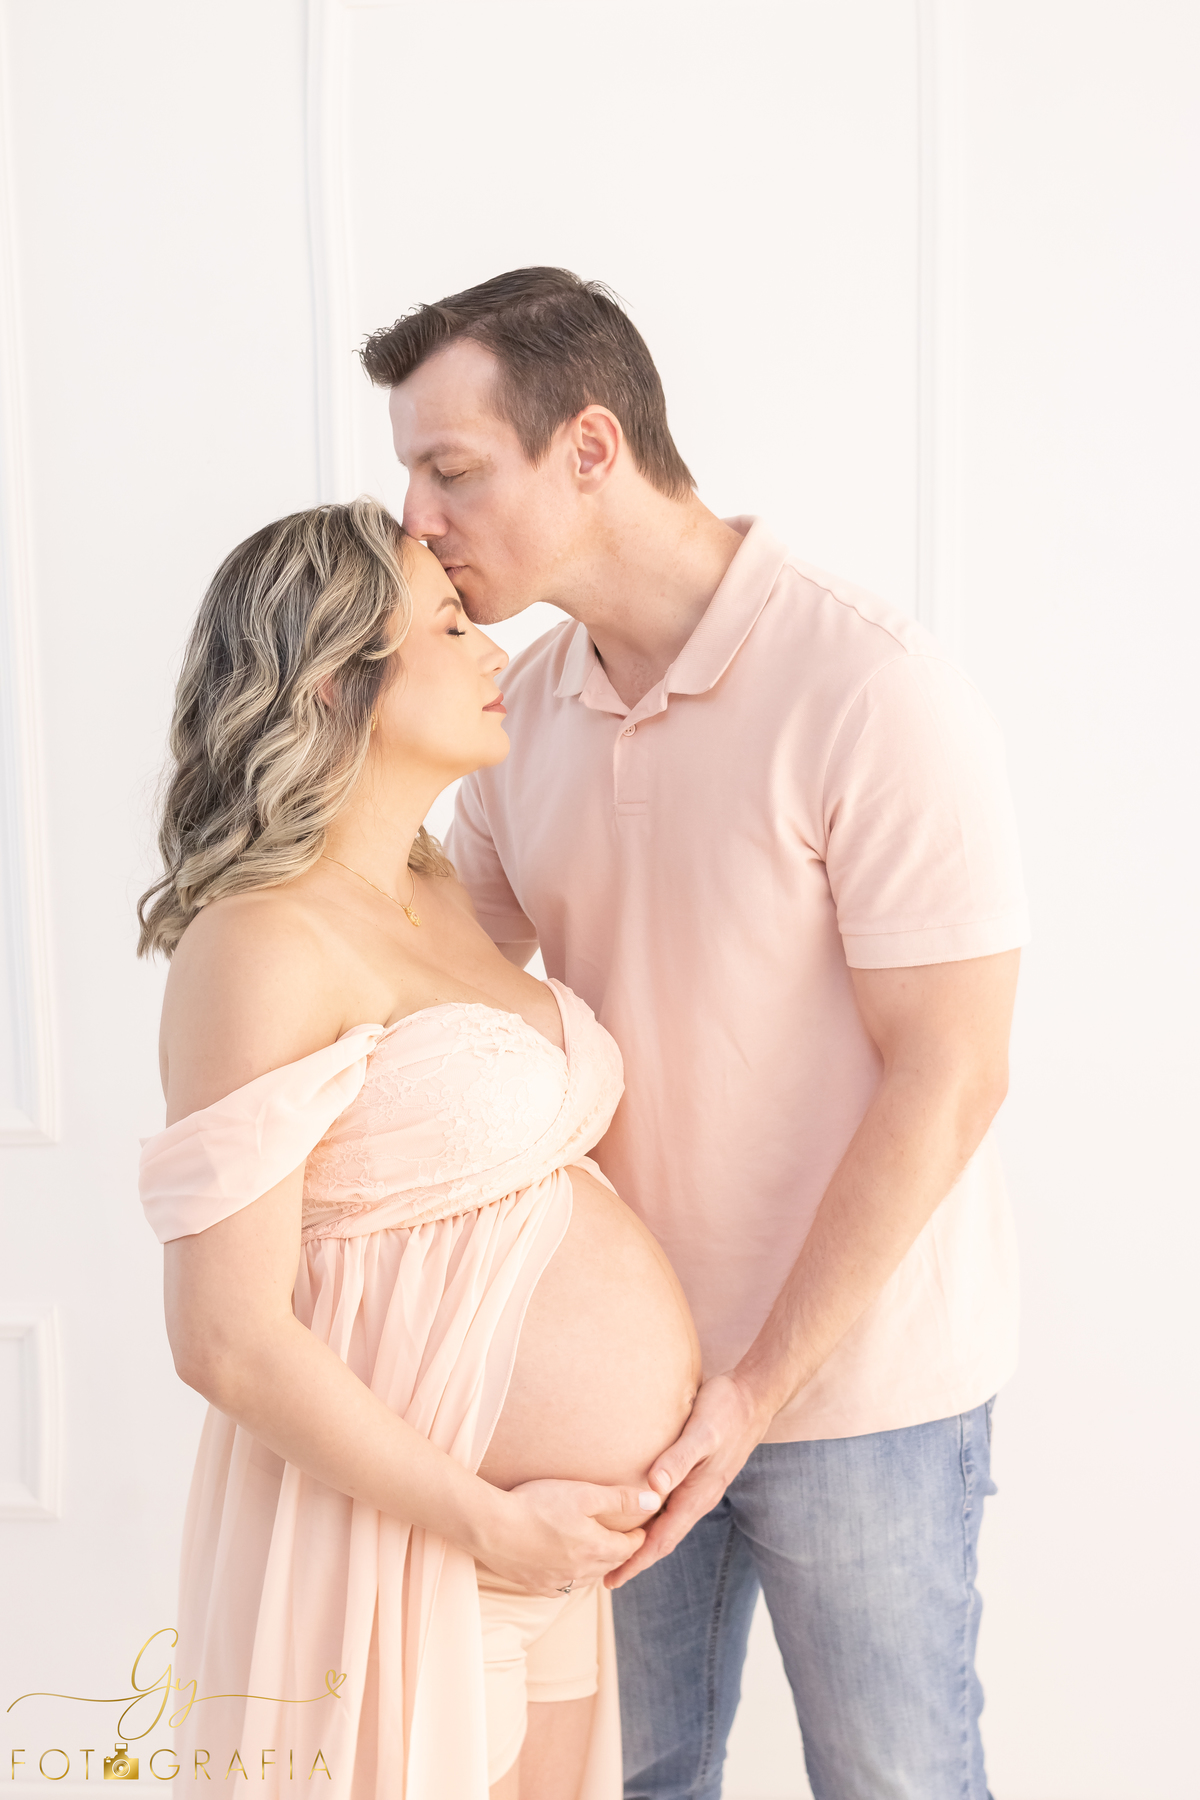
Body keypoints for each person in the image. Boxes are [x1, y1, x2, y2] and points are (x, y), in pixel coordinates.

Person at [361, 266, 1029, 1800]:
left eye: (451, 471)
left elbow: (955, 1070)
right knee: (626, 1783)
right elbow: (436, 976)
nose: (419, 521)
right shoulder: (512, 707)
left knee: (899, 1781)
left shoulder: (873, 687)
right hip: (613, 1414)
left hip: (861, 1398)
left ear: (590, 448)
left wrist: (755, 1392)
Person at [136, 497, 701, 1800]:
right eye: (449, 623)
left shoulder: (438, 885)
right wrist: (496, 1520)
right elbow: (222, 1336)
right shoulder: (259, 941)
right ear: (341, 679)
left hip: (541, 1554)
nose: (496, 647)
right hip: (418, 1536)